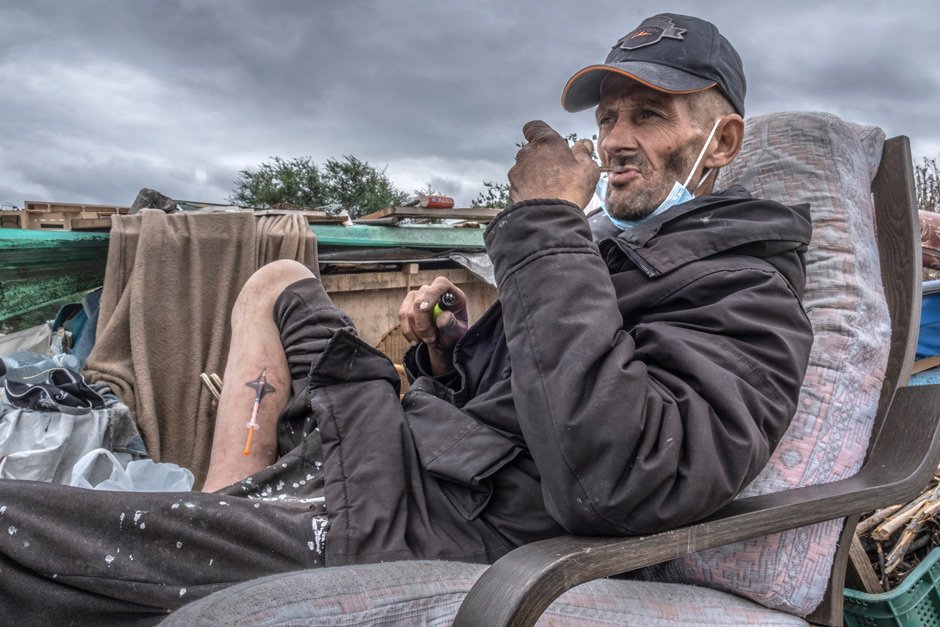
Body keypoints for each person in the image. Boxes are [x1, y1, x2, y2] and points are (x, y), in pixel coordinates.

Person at [0, 13, 813, 624]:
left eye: (650, 114)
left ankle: (231, 527)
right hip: (401, 451)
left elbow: (621, 477)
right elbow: (529, 391)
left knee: (21, 531)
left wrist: (541, 223)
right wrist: (448, 353)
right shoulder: (608, 245)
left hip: (421, 524)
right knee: (279, 277)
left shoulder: (746, 290)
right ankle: (232, 498)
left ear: (723, 139)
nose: (616, 140)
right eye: (607, 118)